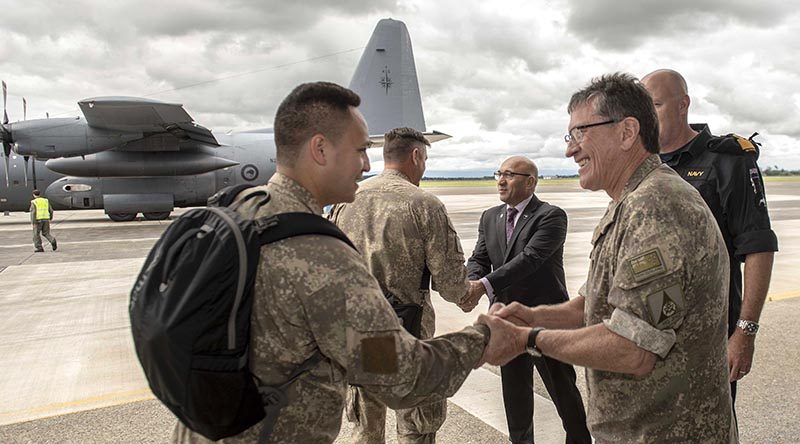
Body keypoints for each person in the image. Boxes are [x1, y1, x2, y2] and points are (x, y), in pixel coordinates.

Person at [172, 82, 519, 444]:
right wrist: (483, 338)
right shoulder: (318, 255)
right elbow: (399, 372)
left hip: (207, 426)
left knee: (365, 431)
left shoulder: (239, 211)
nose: (367, 164)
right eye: (359, 150)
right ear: (320, 149)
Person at [476, 73, 736, 442]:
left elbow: (634, 348)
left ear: (627, 132)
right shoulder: (631, 202)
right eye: (570, 137)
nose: (570, 150)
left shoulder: (656, 207)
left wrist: (527, 339)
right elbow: (593, 306)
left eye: (580, 133)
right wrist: (531, 315)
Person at [330, 127, 482, 444]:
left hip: (359, 328)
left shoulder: (346, 201)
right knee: (416, 424)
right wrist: (468, 296)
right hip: (406, 328)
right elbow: (451, 281)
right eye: (424, 159)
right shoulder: (424, 204)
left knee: (367, 426)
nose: (423, 168)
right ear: (415, 156)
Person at [641, 69, 778, 410]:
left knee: (708, 424)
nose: (647, 117)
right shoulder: (642, 165)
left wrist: (745, 332)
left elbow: (757, 246)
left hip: (709, 329)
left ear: (683, 104)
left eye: (655, 105)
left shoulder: (727, 160)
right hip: (650, 326)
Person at [464, 155, 590, 444]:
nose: (501, 180)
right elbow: (479, 258)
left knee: (563, 391)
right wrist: (473, 281)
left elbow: (529, 260)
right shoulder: (489, 216)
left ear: (530, 182)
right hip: (506, 320)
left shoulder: (551, 216)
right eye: (499, 173)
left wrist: (483, 285)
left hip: (545, 319)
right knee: (515, 395)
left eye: (509, 174)